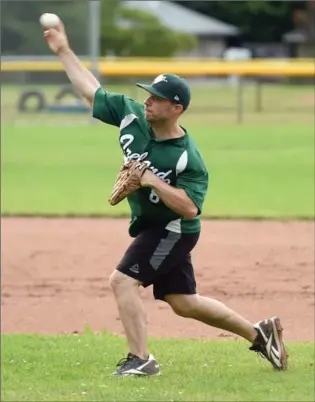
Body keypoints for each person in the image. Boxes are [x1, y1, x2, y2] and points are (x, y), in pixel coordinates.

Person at [43, 21, 288, 376]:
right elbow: (90, 93)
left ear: (176, 108)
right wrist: (64, 51)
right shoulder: (131, 116)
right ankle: (261, 334)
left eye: (156, 98)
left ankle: (141, 360)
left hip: (174, 229)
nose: (147, 100)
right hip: (153, 226)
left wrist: (151, 180)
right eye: (147, 94)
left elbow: (190, 207)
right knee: (183, 302)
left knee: (122, 280)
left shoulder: (188, 157)